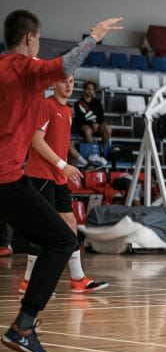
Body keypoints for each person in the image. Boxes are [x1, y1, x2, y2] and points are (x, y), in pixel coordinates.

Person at [0, 9, 121, 352]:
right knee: (63, 240)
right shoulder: (22, 68)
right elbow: (66, 64)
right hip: (7, 178)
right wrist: (94, 36)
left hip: (11, 177)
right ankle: (23, 327)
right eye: (38, 38)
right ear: (29, 38)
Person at [20, 75, 108, 295]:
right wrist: (62, 165)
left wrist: (73, 165)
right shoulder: (45, 106)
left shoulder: (67, 111)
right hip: (41, 176)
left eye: (71, 82)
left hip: (58, 176)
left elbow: (62, 144)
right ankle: (28, 281)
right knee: (43, 228)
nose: (69, 85)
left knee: (70, 223)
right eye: (64, 81)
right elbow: (36, 141)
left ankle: (78, 279)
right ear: (53, 84)